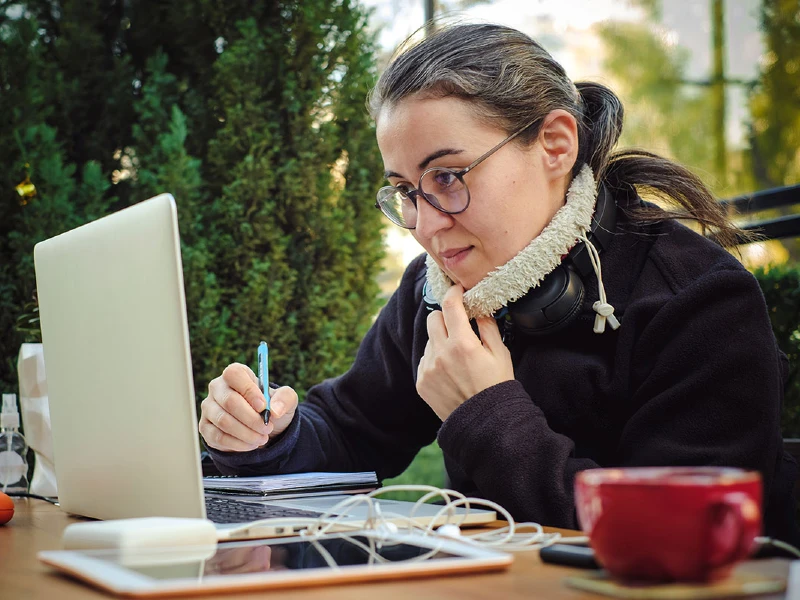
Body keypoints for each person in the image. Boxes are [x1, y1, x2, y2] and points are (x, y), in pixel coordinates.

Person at [198, 23, 798, 542]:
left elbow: (675, 538)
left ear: (556, 145)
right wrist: (263, 436)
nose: (425, 225)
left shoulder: (698, 301)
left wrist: (484, 411)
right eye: (406, 191)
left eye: (449, 176)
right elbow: (351, 430)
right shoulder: (435, 288)